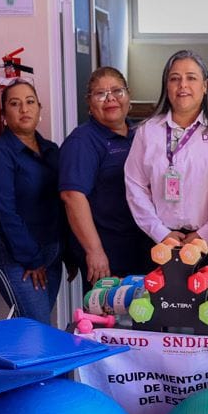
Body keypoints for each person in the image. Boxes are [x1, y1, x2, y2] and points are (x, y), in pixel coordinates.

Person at [124, 50, 208, 290]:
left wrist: (205, 234)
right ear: (166, 86)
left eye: (191, 78)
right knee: (160, 312)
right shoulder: (148, 131)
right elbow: (135, 185)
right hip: (161, 245)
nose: (182, 85)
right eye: (175, 78)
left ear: (205, 86)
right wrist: (160, 232)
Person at [0, 81, 63, 325]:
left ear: (39, 108)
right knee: (37, 326)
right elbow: (5, 213)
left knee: (39, 327)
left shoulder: (51, 150)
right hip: (18, 255)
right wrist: (32, 259)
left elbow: (63, 202)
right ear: (4, 115)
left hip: (51, 252)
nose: (24, 109)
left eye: (30, 102)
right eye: (15, 104)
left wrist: (69, 252)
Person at [60, 67, 146, 283]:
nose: (110, 99)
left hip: (142, 249)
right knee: (112, 307)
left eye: (117, 91)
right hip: (108, 255)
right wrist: (94, 251)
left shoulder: (140, 134)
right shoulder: (82, 141)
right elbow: (72, 197)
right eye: (100, 94)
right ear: (89, 103)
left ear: (128, 95)